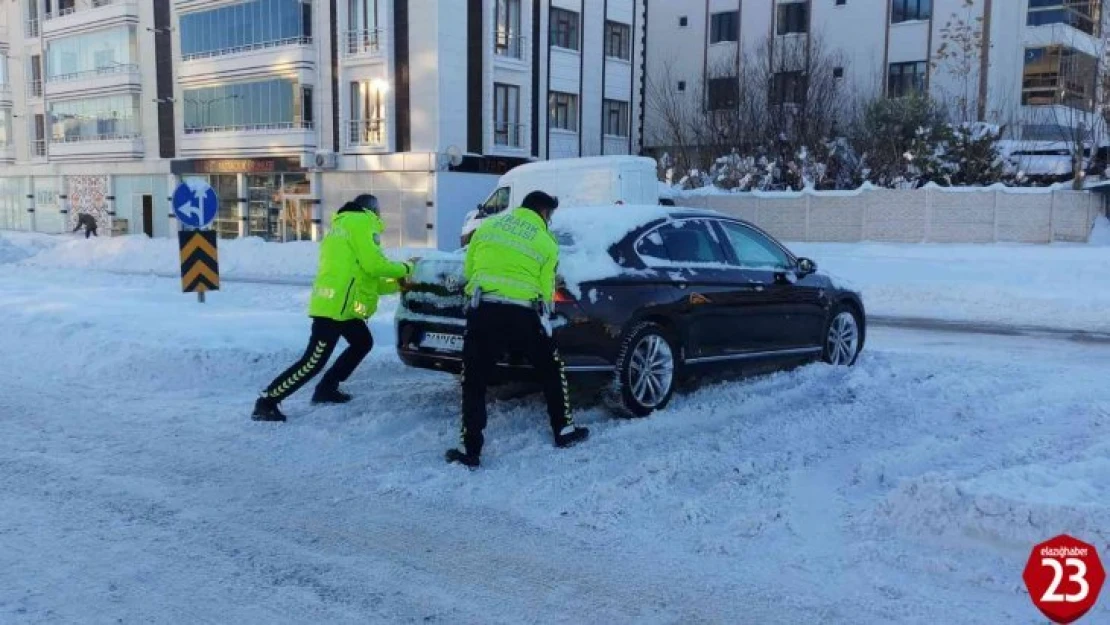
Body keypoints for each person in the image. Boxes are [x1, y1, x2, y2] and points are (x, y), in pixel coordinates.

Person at [446, 190, 589, 468]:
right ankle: (563, 430)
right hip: (522, 314)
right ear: (544, 213)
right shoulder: (546, 241)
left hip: (484, 309)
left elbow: (470, 268)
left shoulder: (488, 227)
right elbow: (546, 290)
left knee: (473, 380)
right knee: (551, 368)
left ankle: (470, 449)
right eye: (551, 216)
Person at [252, 194, 414, 422]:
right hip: (334, 306)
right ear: (372, 210)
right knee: (313, 361)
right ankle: (266, 401)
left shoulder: (343, 225)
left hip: (343, 306)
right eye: (379, 211)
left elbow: (368, 277)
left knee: (362, 342)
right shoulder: (361, 223)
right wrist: (407, 268)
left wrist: (399, 284)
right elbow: (374, 265)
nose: (380, 216)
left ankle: (327, 388)